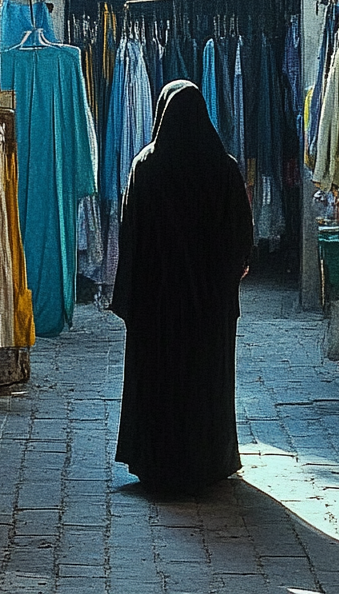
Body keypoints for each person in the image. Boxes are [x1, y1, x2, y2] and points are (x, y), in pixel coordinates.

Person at [111, 80, 254, 493]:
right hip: (209, 307)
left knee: (158, 377)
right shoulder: (223, 167)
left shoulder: (146, 166)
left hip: (157, 305)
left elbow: (130, 234)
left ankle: (155, 458)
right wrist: (225, 277)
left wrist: (135, 295)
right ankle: (208, 459)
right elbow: (241, 238)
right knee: (206, 379)